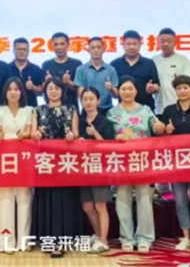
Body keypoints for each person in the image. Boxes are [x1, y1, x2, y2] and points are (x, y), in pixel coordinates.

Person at [31, 77, 81, 258]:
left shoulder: (71, 109)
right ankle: (47, 239)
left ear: (62, 90)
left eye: (57, 88)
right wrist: (36, 134)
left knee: (64, 199)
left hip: (66, 161)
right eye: (50, 88)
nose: (53, 91)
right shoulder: (38, 110)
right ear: (45, 91)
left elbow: (76, 133)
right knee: (47, 198)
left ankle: (63, 240)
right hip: (45, 161)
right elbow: (33, 133)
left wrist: (72, 136)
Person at [109, 76, 160, 253]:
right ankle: (127, 238)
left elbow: (156, 126)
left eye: (130, 88)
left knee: (144, 198)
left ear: (136, 91)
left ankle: (145, 238)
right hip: (121, 161)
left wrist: (160, 127)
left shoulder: (145, 110)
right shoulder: (112, 112)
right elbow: (106, 135)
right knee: (122, 199)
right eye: (123, 89)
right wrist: (114, 137)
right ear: (118, 91)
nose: (127, 92)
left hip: (142, 160)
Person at [161, 75, 190, 255]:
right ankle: (186, 237)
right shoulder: (169, 111)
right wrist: (167, 132)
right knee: (180, 201)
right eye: (179, 88)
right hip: (177, 163)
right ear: (175, 90)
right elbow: (163, 140)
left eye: (185, 88)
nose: (182, 91)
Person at [0, 78, 33, 253]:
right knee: (4, 198)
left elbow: (29, 132)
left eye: (16, 89)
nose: (13, 92)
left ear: (21, 92)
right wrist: (1, 135)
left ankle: (24, 241)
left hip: (24, 158)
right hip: (4, 158)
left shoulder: (29, 110)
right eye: (10, 89)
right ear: (5, 92)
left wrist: (24, 135)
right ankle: (5, 242)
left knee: (24, 198)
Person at [153, 27, 190, 195]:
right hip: (159, 109)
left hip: (179, 109)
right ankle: (163, 182)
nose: (165, 44)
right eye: (162, 41)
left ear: (175, 42)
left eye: (169, 41)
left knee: (182, 148)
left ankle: (185, 181)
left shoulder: (183, 60)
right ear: (158, 42)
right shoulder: (153, 61)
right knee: (162, 148)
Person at [78, 87, 114, 254]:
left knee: (100, 205)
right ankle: (98, 235)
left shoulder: (105, 122)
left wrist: (95, 134)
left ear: (98, 101)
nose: (88, 102)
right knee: (87, 206)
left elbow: (109, 146)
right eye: (85, 99)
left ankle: (104, 241)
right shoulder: (79, 121)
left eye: (91, 99)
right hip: (83, 169)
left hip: (100, 168)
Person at [110, 29, 160, 111]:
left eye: (135, 44)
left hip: (145, 110)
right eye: (129, 44)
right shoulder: (115, 64)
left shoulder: (149, 63)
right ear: (123, 45)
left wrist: (152, 88)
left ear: (140, 45)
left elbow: (157, 86)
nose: (132, 47)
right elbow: (114, 93)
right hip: (122, 111)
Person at [75, 37, 120, 115]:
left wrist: (111, 88)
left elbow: (116, 95)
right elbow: (80, 94)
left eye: (99, 47)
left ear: (104, 49)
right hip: (88, 110)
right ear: (88, 50)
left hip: (107, 109)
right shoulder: (81, 70)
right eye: (93, 48)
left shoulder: (111, 70)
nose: (96, 50)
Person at [41, 32, 83, 109]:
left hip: (71, 107)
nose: (59, 47)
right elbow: (42, 90)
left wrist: (69, 83)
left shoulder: (77, 64)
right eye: (56, 44)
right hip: (51, 108)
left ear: (68, 45)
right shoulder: (46, 65)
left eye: (62, 44)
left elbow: (80, 90)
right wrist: (47, 82)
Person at [9, 37, 44, 107]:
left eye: (25, 49)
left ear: (28, 51)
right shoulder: (6, 68)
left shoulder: (36, 69)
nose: (22, 52)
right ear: (13, 51)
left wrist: (33, 87)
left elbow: (41, 92)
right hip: (10, 108)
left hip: (31, 108)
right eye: (19, 49)